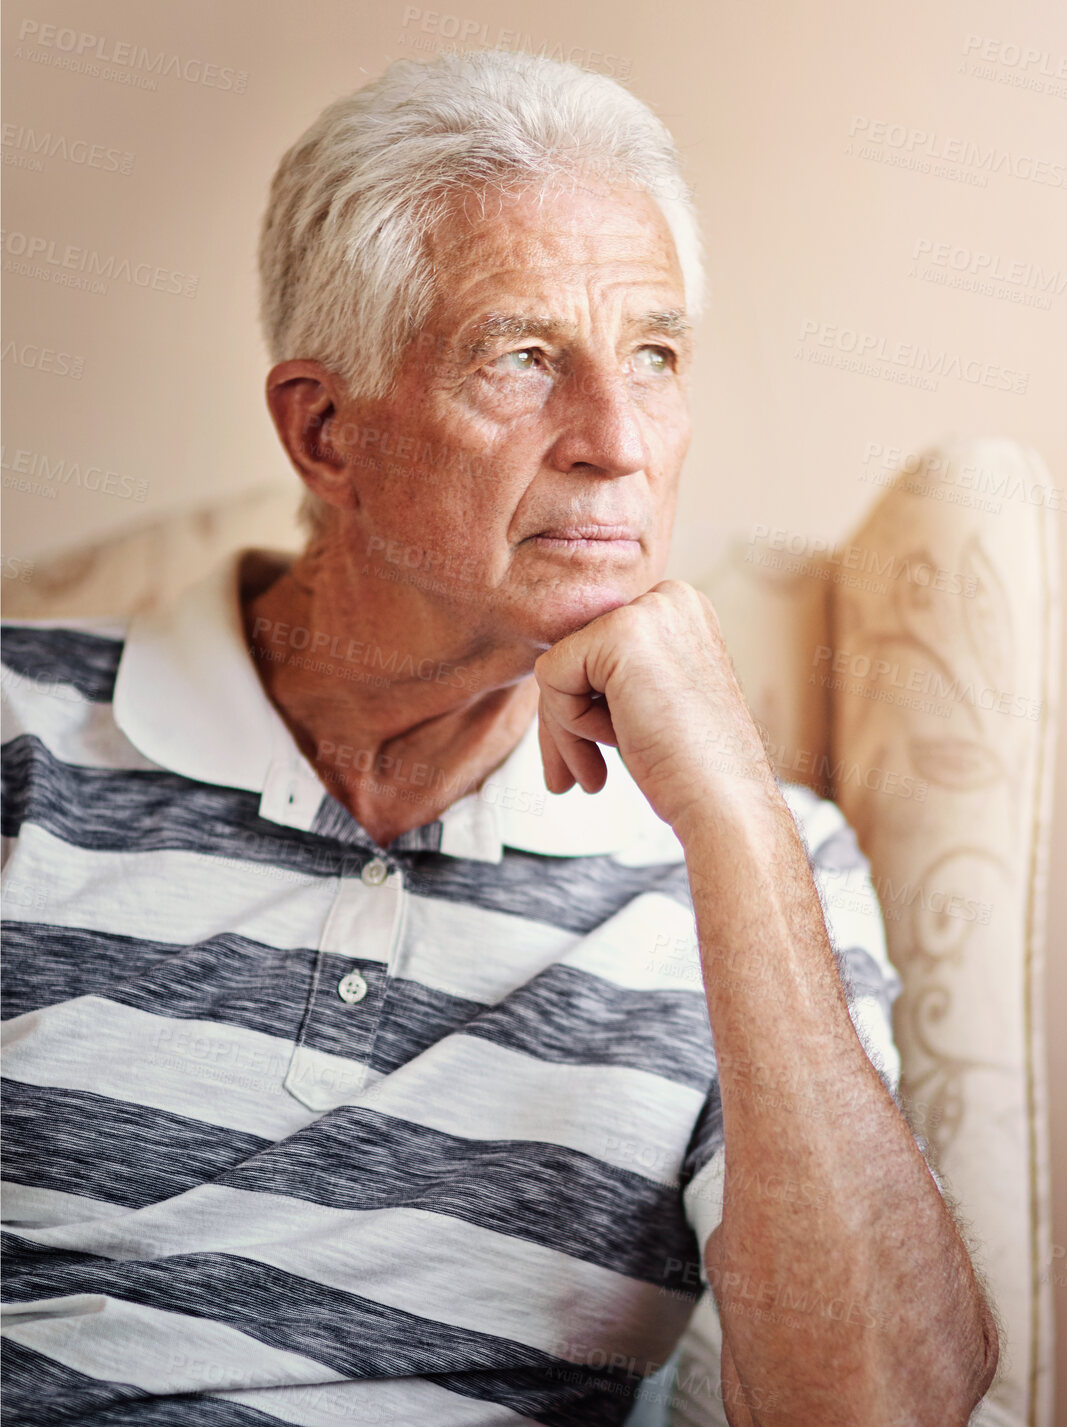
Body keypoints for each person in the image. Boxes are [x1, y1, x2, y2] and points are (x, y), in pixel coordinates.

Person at [0, 49, 997, 1426]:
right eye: (522, 356)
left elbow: (883, 1411)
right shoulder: (18, 743)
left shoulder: (765, 867)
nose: (615, 440)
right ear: (327, 430)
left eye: (653, 356)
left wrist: (729, 825)